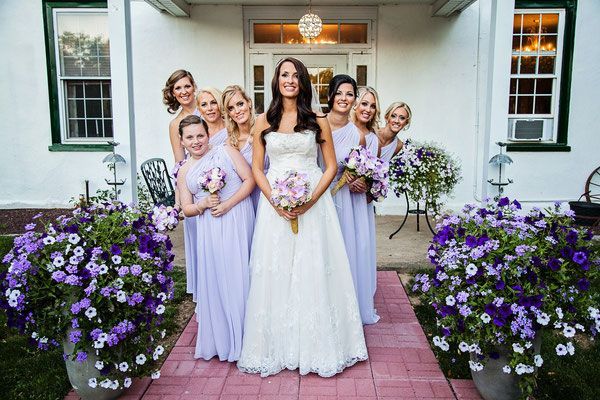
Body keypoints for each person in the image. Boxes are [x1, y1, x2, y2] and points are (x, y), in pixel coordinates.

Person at [237, 57, 367, 377]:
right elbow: (257, 167)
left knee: (313, 270)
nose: (290, 80)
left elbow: (331, 166)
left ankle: (317, 345)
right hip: (275, 205)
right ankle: (278, 345)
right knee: (277, 271)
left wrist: (309, 202)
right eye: (284, 75)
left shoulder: (317, 119)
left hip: (314, 204)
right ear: (276, 80)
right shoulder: (262, 120)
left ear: (304, 82)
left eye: (296, 75)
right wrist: (275, 202)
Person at [177, 114, 255, 362]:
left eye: (200, 135)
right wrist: (201, 205)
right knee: (219, 278)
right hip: (210, 229)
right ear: (182, 141)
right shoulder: (184, 171)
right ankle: (223, 339)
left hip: (238, 219)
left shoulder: (227, 151)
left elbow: (249, 180)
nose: (196, 141)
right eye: (190, 137)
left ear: (208, 135)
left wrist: (228, 204)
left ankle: (249, 338)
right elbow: (185, 209)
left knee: (241, 276)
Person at [326, 74, 379, 324]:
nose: (344, 98)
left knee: (345, 251)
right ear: (330, 95)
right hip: (321, 198)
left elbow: (364, 171)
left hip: (346, 200)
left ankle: (346, 309)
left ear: (354, 100)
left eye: (349, 94)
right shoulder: (317, 125)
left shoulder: (357, 135)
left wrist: (361, 181)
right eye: (339, 93)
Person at [162, 69, 199, 301]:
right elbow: (180, 164)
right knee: (199, 242)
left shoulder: (209, 106)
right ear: (173, 94)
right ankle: (203, 294)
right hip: (196, 186)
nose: (184, 92)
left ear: (193, 86)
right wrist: (179, 201)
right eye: (178, 88)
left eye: (186, 86)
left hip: (225, 180)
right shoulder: (175, 124)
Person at [349, 86, 381, 323]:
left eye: (372, 105)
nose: (367, 109)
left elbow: (376, 177)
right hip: (339, 196)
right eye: (364, 103)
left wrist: (366, 185)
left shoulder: (373, 140)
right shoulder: (342, 131)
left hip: (360, 202)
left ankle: (358, 302)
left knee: (358, 248)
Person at [222, 85, 268, 210]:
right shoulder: (231, 143)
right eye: (231, 108)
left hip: (270, 192)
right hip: (246, 199)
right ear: (229, 114)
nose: (237, 111)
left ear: (249, 103)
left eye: (240, 104)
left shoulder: (266, 129)